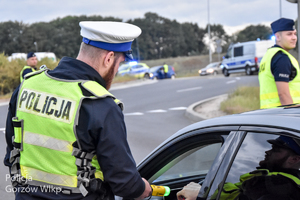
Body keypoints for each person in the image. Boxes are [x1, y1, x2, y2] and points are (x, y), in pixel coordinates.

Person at [4, 21, 152, 200]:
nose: (116, 71)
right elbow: (125, 183)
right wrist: (146, 189)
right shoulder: (100, 104)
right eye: (119, 64)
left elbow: (12, 153)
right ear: (109, 58)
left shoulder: (26, 87)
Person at [177, 135, 300, 200]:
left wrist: (201, 195)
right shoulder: (291, 181)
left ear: (294, 159)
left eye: (276, 150)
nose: (267, 152)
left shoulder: (275, 185)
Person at [259, 18, 300, 109]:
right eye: (289, 34)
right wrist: (291, 118)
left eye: (295, 34)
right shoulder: (281, 58)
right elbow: (283, 94)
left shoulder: (268, 55)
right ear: (278, 37)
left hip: (269, 114)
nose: (294, 38)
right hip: (282, 117)